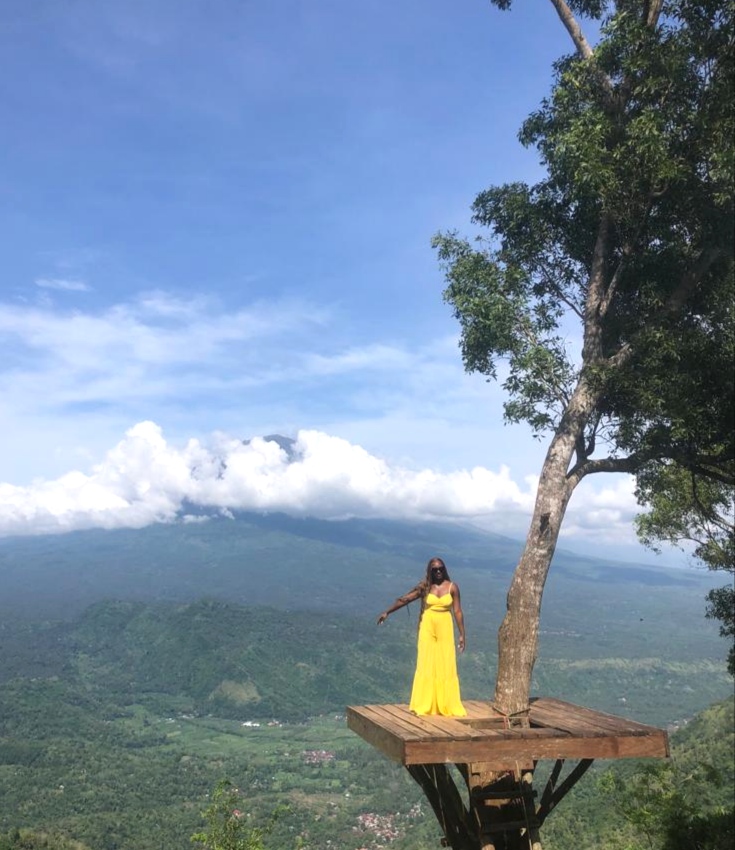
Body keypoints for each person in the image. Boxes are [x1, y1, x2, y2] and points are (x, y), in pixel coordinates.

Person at [377, 557, 466, 717]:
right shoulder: (425, 587)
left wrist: (462, 634)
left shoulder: (453, 587)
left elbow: (458, 612)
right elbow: (406, 599)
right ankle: (424, 703)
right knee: (426, 662)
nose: (438, 571)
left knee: (446, 662)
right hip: (427, 626)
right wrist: (387, 612)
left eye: (440, 568)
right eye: (434, 569)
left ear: (444, 569)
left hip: (445, 626)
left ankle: (445, 704)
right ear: (430, 571)